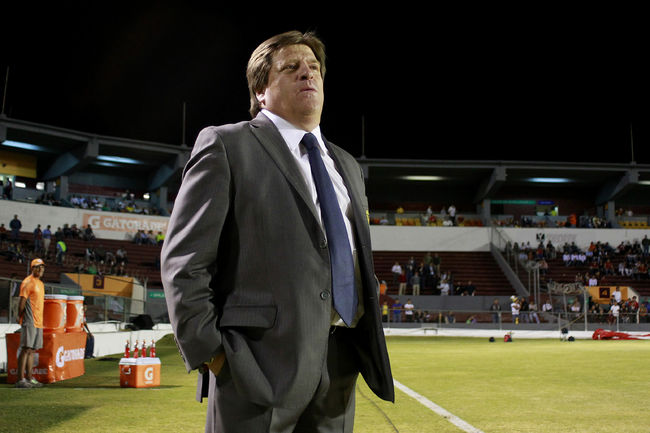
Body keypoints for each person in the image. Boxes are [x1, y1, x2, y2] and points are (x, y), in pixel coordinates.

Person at [160, 30, 393, 432]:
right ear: (260, 91)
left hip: (340, 365)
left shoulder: (346, 165)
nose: (308, 73)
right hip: (256, 366)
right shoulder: (227, 144)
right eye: (291, 68)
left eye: (314, 67)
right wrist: (214, 354)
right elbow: (184, 261)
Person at [15, 258, 46, 388]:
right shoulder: (27, 282)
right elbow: (22, 302)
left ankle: (29, 378)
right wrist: (20, 316)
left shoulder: (40, 284)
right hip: (30, 320)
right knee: (26, 349)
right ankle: (20, 379)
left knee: (32, 350)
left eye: (42, 267)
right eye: (38, 267)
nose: (40, 269)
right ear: (32, 268)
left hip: (38, 321)